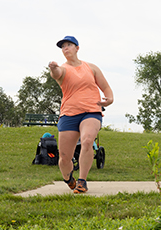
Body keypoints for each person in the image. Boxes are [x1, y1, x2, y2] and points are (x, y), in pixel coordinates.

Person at [48, 36, 113, 193]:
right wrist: (53, 68)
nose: (66, 48)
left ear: (77, 48)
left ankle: (82, 181)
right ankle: (68, 178)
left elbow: (106, 87)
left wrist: (109, 99)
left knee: (87, 140)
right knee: (64, 158)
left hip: (92, 111)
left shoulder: (91, 68)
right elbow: (56, 74)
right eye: (63, 47)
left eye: (69, 45)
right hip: (69, 114)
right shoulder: (62, 69)